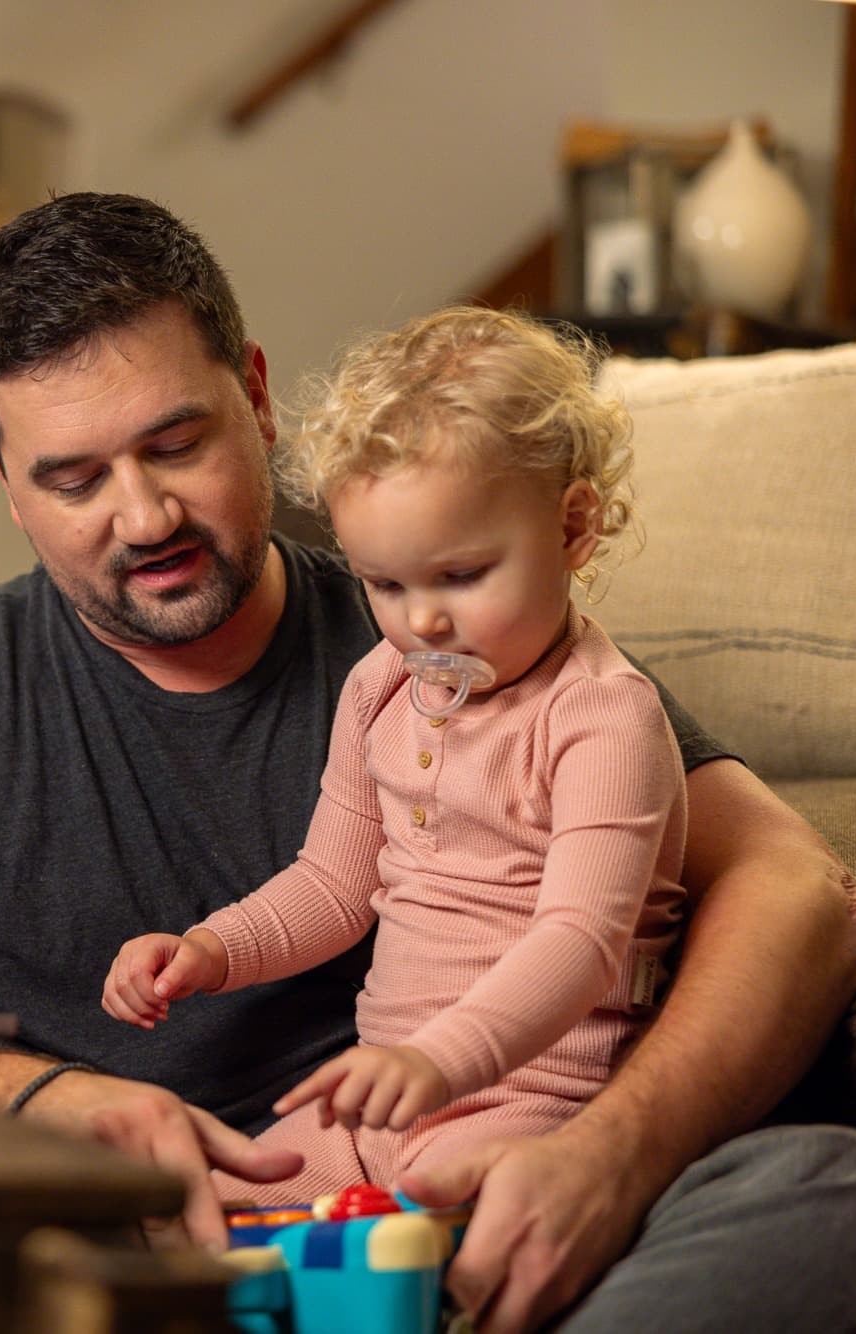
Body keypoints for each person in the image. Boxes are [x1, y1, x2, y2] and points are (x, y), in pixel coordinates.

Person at [0, 193, 856, 1332]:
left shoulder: (459, 631)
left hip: (456, 1199)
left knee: (839, 1192)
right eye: (73, 478)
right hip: (121, 1260)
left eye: (175, 444)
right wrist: (50, 1099)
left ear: (253, 395)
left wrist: (609, 1158)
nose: (142, 516)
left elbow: (806, 896)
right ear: (4, 482)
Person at [103, 307, 689, 1198]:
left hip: (538, 1097)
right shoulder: (381, 687)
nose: (423, 621)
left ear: (572, 530)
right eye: (385, 583)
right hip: (383, 1086)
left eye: (460, 576)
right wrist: (211, 949)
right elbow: (333, 886)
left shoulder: (602, 719)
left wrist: (440, 1063)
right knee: (216, 1208)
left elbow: (582, 942)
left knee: (431, 1229)